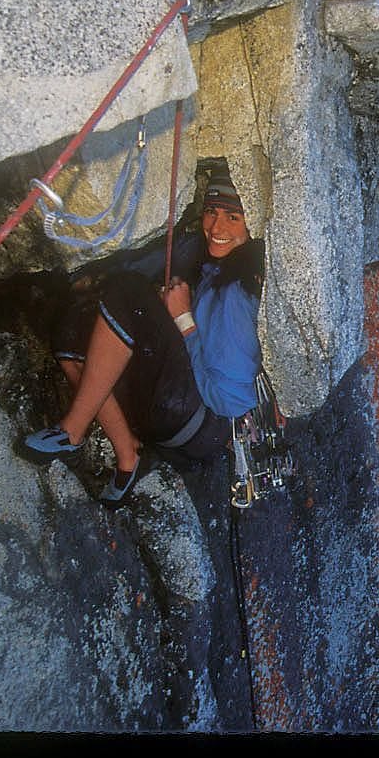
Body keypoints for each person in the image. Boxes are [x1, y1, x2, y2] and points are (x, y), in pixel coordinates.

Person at [22, 171, 265, 508]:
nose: (217, 227)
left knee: (128, 293)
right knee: (75, 328)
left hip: (199, 422)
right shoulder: (216, 269)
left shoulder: (237, 293)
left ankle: (72, 431)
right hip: (176, 418)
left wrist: (183, 319)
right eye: (212, 211)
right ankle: (128, 457)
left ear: (253, 226)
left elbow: (230, 401)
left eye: (233, 217)